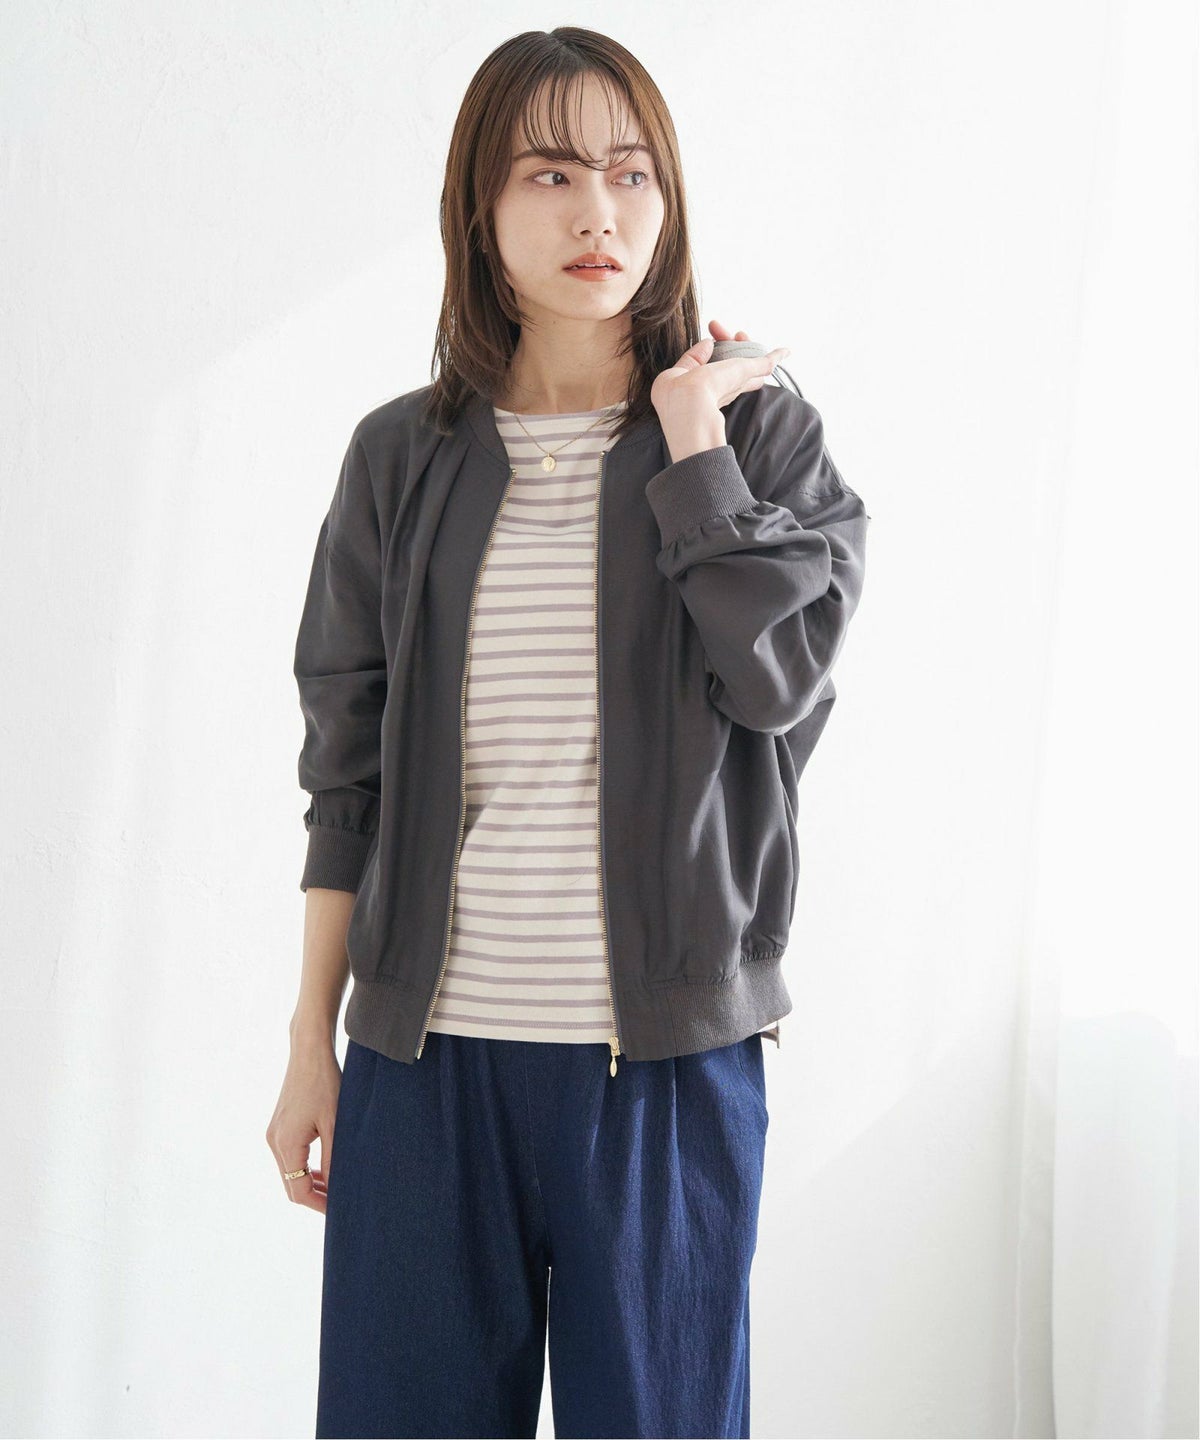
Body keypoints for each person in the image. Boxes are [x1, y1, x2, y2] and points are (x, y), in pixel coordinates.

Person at [265, 25, 869, 1440]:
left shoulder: (759, 442)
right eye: (550, 174)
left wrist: (693, 447)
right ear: (480, 207)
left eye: (631, 172)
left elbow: (779, 683)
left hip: (664, 1069)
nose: (599, 211)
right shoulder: (399, 457)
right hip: (425, 1068)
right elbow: (345, 772)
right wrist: (311, 1042)